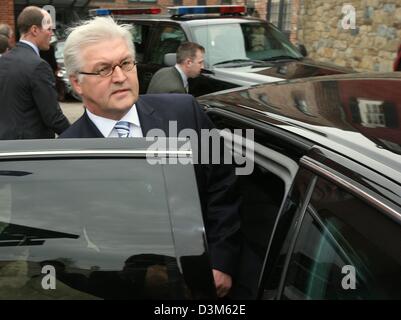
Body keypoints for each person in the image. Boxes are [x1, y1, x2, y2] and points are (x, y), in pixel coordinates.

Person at [59, 16, 241, 298]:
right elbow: (63, 242)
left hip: (204, 282)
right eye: (103, 69)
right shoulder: (65, 153)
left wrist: (221, 260)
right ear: (77, 82)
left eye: (126, 64)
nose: (120, 77)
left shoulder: (184, 112)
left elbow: (222, 184)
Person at [0, 6, 70, 140]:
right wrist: (79, 137)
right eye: (49, 29)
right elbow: (53, 117)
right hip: (31, 150)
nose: (52, 33)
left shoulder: (4, 60)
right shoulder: (38, 66)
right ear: (34, 30)